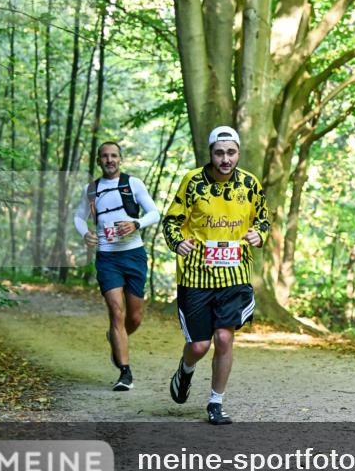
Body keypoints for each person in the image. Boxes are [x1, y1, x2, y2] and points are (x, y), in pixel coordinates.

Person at [162, 125, 270, 425]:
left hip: (234, 274)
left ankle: (215, 402)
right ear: (210, 154)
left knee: (224, 338)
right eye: (220, 153)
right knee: (199, 345)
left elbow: (263, 218)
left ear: (238, 153)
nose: (226, 159)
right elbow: (172, 220)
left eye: (231, 153)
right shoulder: (192, 181)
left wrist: (259, 235)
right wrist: (177, 241)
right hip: (196, 276)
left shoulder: (250, 184)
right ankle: (185, 370)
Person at [74, 141, 160, 391]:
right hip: (107, 257)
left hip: (133, 255)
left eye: (113, 156)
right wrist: (84, 234)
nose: (109, 160)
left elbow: (154, 212)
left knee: (134, 316)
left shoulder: (133, 184)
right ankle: (125, 372)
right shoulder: (91, 189)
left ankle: (115, 337)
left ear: (120, 159)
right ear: (99, 161)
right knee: (117, 312)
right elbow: (79, 217)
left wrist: (136, 224)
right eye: (104, 156)